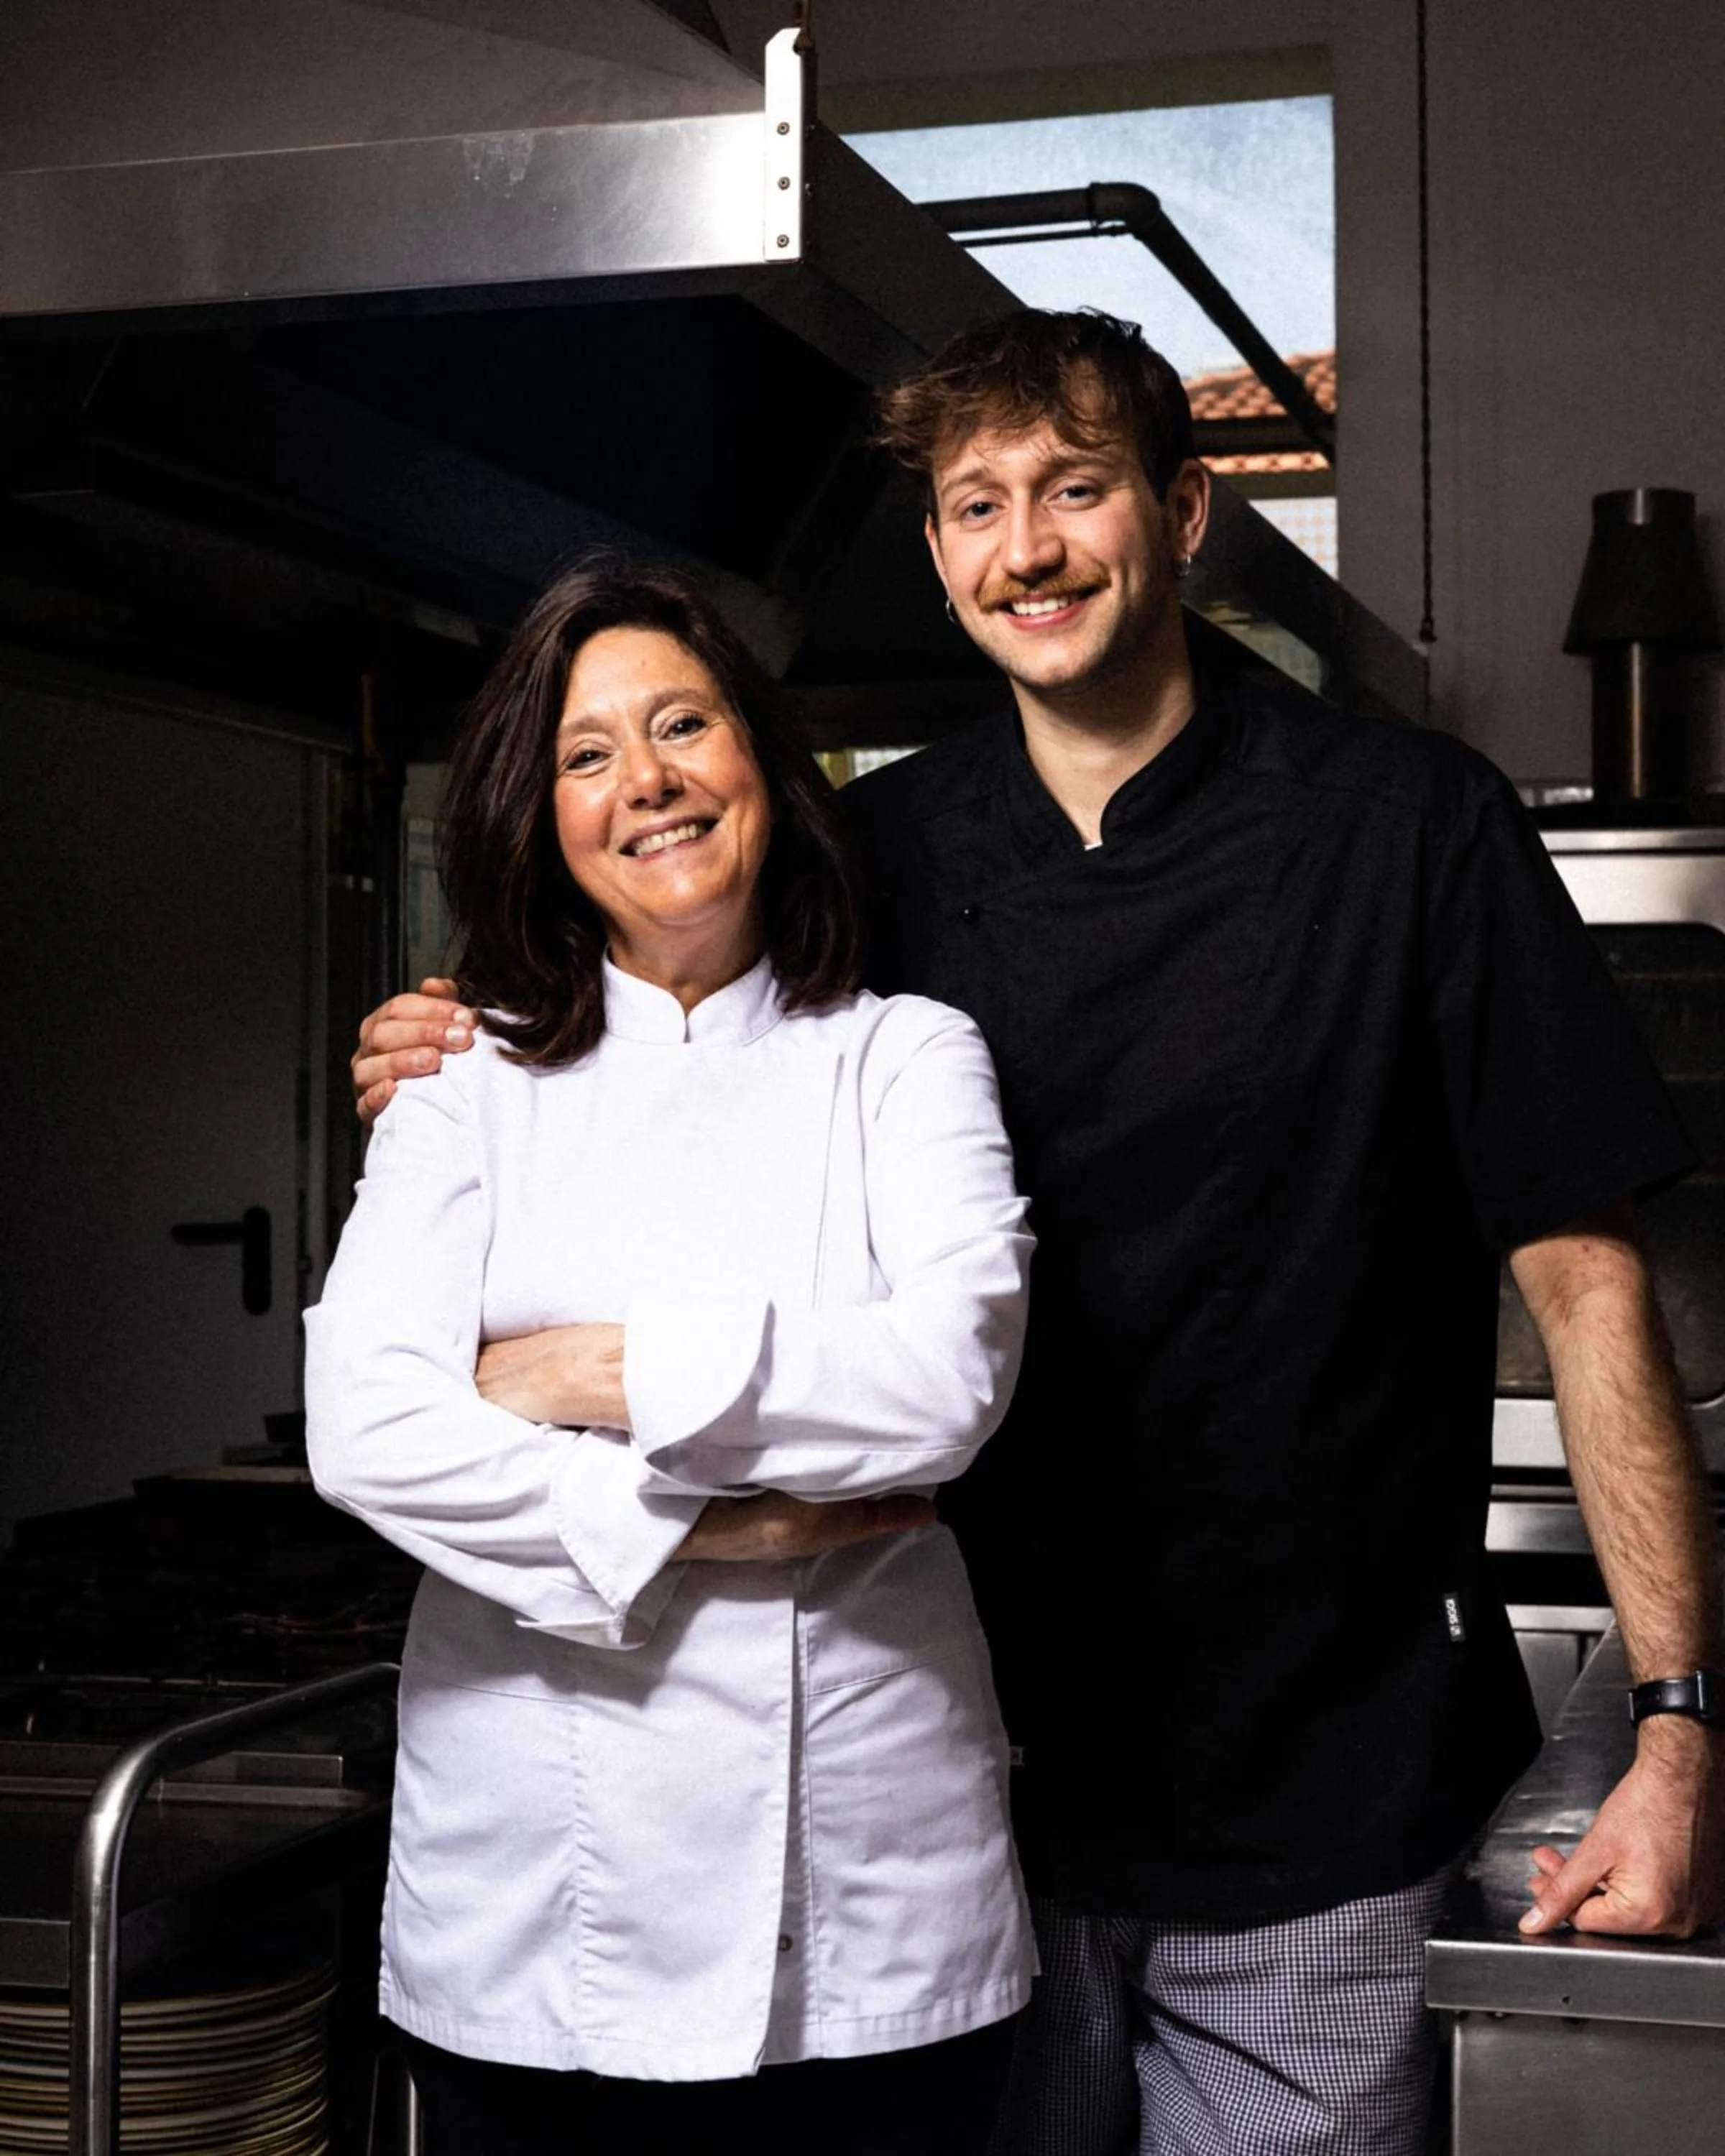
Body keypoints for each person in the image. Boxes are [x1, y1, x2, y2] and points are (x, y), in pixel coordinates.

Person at [351, 311, 1724, 2156]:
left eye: (1076, 490)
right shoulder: (872, 864)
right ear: (936, 558)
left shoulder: (1410, 827)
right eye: (977, 507)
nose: (1031, 549)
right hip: (952, 1795)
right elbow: (648, 1013)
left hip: (1311, 1785)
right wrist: (457, 1037)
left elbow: (1585, 1275)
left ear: (1185, 510)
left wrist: (1679, 1724)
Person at [308, 556, 1036, 2156]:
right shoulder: (460, 1078)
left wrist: (579, 1375)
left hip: (867, 1906)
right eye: (585, 755)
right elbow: (363, 1429)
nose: (646, 782)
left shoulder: (902, 1058)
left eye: (683, 724)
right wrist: (717, 1527)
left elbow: (946, 1383)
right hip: (536, 1911)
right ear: (538, 818)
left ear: (764, 761)